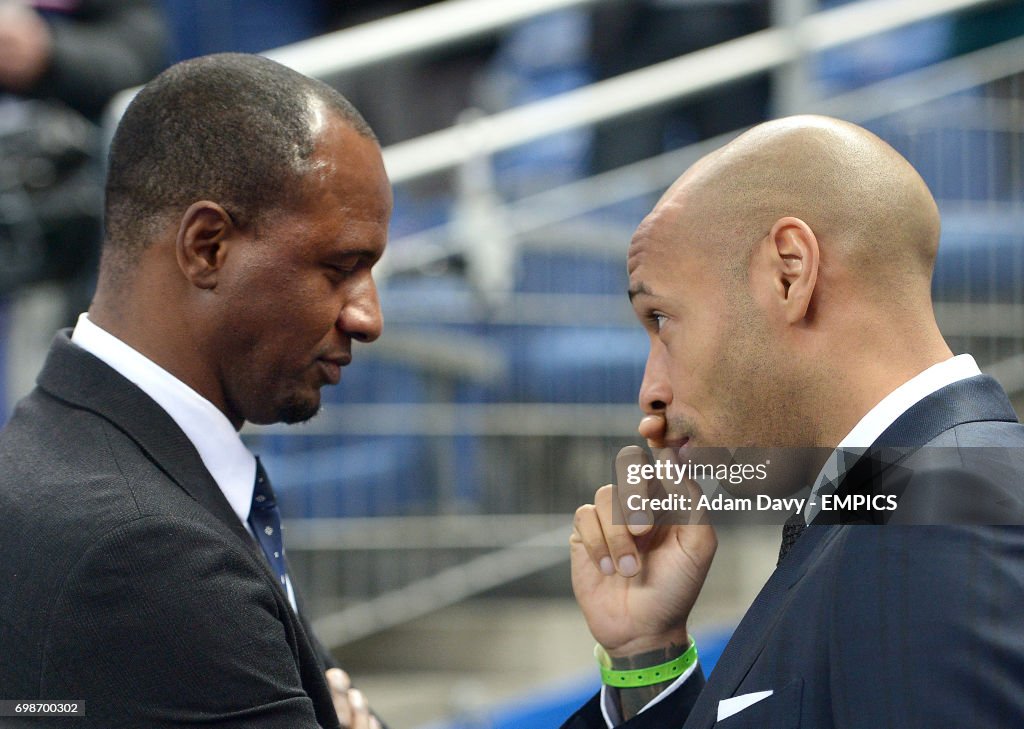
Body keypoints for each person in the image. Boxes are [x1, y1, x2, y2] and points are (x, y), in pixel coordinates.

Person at [564, 115, 1024, 728]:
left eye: (661, 319)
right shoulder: (901, 507)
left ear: (789, 272)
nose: (651, 393)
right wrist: (645, 658)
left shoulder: (936, 518)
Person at [0, 54, 389, 729]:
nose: (368, 317)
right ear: (207, 246)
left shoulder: (48, 449)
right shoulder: (153, 554)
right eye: (340, 269)